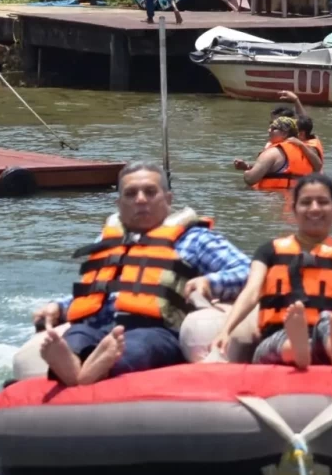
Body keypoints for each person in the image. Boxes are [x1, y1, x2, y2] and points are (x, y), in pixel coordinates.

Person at [30, 162, 205, 386]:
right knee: (77, 336)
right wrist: (59, 307)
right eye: (130, 194)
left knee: (139, 346)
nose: (140, 199)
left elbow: (243, 272)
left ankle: (90, 371)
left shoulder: (195, 239)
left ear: (168, 199)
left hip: (153, 329)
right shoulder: (108, 241)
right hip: (97, 327)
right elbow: (94, 289)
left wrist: (209, 282)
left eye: (150, 192)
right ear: (119, 204)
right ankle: (75, 366)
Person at [211, 174, 332, 371]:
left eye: (322, 202)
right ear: (293, 209)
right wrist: (226, 330)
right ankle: (297, 348)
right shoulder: (269, 251)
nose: (314, 208)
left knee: (328, 321)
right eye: (305, 202)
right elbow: (251, 292)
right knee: (282, 342)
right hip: (276, 336)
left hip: (323, 331)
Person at [235, 115, 322, 189]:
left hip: (273, 199)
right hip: (297, 197)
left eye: (274, 128)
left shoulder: (272, 152)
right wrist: (248, 166)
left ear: (284, 133)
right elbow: (318, 167)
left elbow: (251, 179)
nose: (269, 130)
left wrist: (246, 173)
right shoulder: (305, 152)